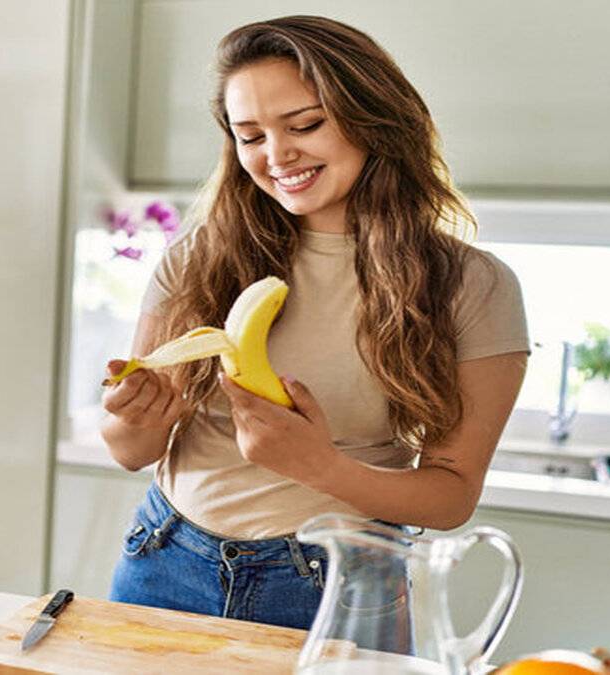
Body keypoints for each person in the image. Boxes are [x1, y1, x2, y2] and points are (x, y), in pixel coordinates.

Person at [100, 15, 529, 638]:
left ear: (373, 118)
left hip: (337, 583)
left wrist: (320, 466)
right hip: (167, 557)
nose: (277, 156)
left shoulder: (471, 284)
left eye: (305, 125)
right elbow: (130, 452)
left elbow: (452, 497)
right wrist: (133, 417)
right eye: (250, 137)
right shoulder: (199, 258)